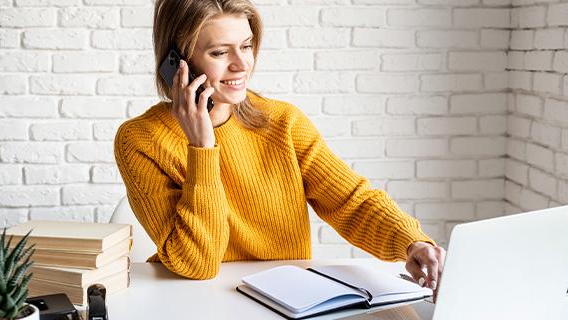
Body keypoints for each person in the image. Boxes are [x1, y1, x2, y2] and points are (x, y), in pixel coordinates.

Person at [114, 0, 445, 298]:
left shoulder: (283, 122)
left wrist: (410, 241)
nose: (242, 64)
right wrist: (202, 147)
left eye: (246, 46)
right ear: (178, 63)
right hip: (197, 303)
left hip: (288, 302)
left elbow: (350, 201)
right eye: (219, 52)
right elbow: (197, 264)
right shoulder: (140, 140)